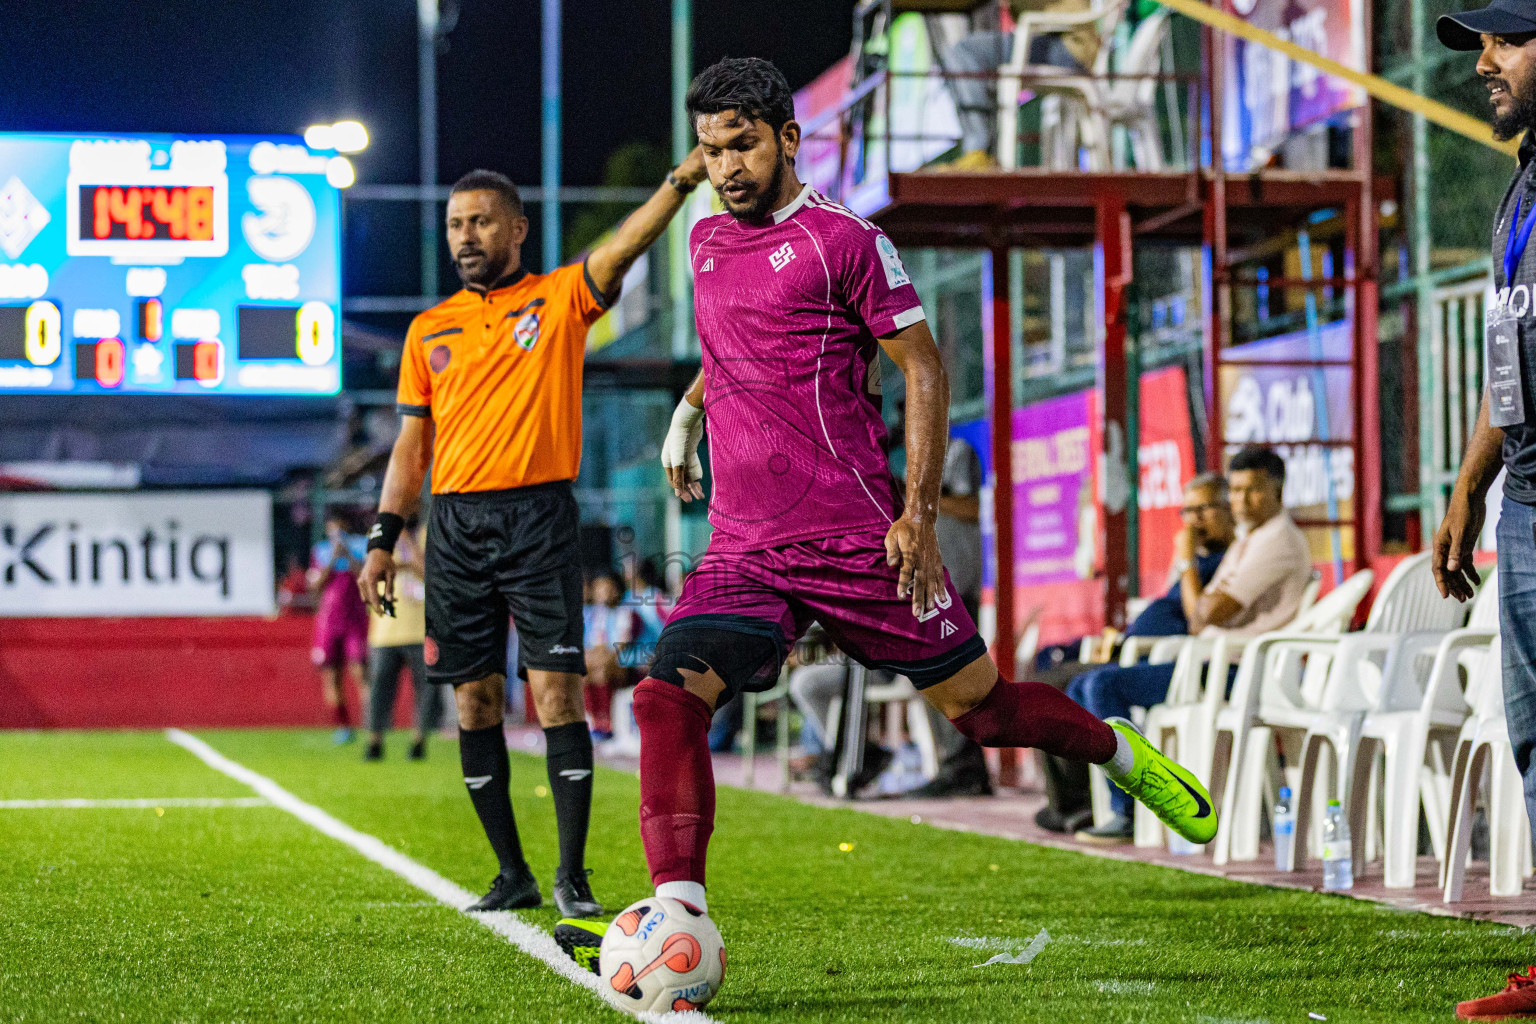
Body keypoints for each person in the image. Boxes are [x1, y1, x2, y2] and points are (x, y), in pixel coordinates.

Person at [579, 58, 1215, 944]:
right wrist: (688, 414)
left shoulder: (848, 241)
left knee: (985, 714)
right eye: (711, 148)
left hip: (854, 540)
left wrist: (915, 513)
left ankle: (1119, 753)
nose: (726, 167)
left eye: (744, 145)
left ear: (788, 140)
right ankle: (679, 921)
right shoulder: (705, 239)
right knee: (663, 698)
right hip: (744, 550)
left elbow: (922, 365)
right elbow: (738, 346)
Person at [355, 154, 707, 918]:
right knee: (474, 702)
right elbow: (411, 449)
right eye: (455, 224)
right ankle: (510, 872)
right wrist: (383, 537)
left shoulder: (555, 301)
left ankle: (571, 876)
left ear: (516, 228)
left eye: (480, 221)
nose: (465, 236)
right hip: (452, 527)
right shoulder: (428, 331)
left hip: (539, 518)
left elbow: (620, 251)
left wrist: (680, 183)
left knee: (555, 692)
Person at [1433, 5, 1536, 1018]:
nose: (1484, 65)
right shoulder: (1520, 192)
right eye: (1480, 46)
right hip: (1525, 495)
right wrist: (1470, 487)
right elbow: (1507, 347)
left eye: (1507, 42)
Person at [1069, 446, 1312, 843]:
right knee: (1083, 685)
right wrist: (1195, 595)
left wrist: (1185, 565)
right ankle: (1098, 805)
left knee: (1101, 686)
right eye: (1234, 491)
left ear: (1278, 491)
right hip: (1210, 662)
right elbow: (1199, 615)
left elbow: (1205, 615)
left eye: (1251, 490)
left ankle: (1129, 810)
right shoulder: (1252, 539)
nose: (1240, 501)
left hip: (1237, 671)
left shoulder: (1277, 541)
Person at [1034, 472, 1236, 832]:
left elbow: (1196, 619)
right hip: (1135, 650)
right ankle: (1074, 803)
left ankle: (1121, 809)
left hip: (1173, 659)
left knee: (1082, 686)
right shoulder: (1198, 559)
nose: (1194, 522)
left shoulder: (1227, 561)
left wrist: (1186, 559)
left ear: (1229, 509)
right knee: (1046, 686)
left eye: (1203, 510)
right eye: (1187, 512)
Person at [941, 0, 1104, 171]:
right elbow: (1018, 13)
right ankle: (982, 153)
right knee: (970, 54)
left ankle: (978, 151)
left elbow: (1019, 13)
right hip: (1069, 42)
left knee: (965, 51)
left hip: (1065, 44)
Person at [363, 518, 442, 762]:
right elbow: (371, 575)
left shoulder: (431, 534)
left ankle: (419, 742)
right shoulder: (379, 537)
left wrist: (407, 542)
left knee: (427, 692)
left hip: (422, 629)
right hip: (385, 630)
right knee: (379, 691)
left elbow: (432, 574)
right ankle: (374, 742)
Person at [309, 512, 370, 744]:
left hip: (354, 619)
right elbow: (315, 585)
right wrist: (333, 559)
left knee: (360, 672)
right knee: (332, 675)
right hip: (328, 621)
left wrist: (349, 556)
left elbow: (364, 576)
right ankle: (343, 726)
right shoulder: (321, 551)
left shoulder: (360, 546)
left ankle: (370, 723)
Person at [583, 571, 642, 740]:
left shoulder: (626, 612)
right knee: (585, 670)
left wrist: (598, 661)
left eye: (607, 588)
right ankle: (595, 722)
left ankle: (607, 723)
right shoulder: (598, 614)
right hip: (606, 661)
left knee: (602, 670)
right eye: (599, 589)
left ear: (616, 590)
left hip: (629, 665)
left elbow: (620, 647)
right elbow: (597, 644)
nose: (603, 593)